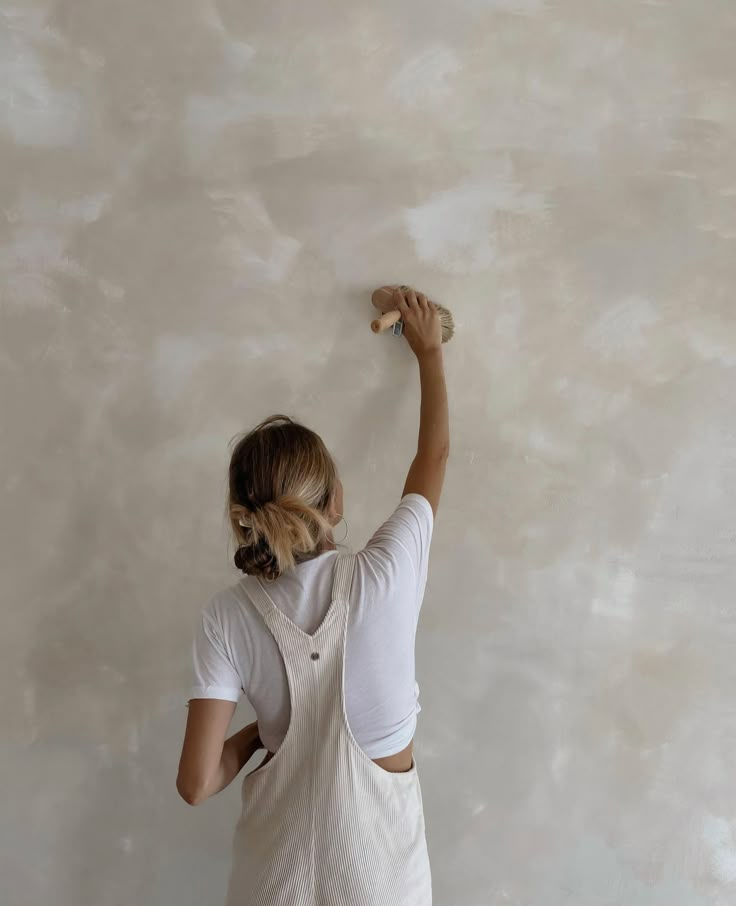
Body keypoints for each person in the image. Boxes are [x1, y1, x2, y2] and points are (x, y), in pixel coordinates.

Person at [176, 287, 449, 905]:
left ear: (243, 516)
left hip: (275, 887)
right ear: (336, 502)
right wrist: (429, 354)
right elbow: (433, 457)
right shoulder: (387, 572)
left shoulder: (226, 616)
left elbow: (197, 784)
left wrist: (263, 734)